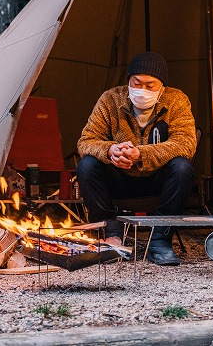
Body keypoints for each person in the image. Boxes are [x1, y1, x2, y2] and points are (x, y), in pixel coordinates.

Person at [76, 51, 197, 266]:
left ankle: (160, 240)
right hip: (119, 179)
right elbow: (86, 141)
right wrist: (111, 150)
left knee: (182, 167)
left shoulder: (177, 100)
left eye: (150, 85)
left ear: (162, 88)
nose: (142, 90)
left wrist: (141, 154)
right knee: (87, 165)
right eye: (137, 83)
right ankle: (111, 233)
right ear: (128, 80)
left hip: (157, 180)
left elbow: (186, 143)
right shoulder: (110, 99)